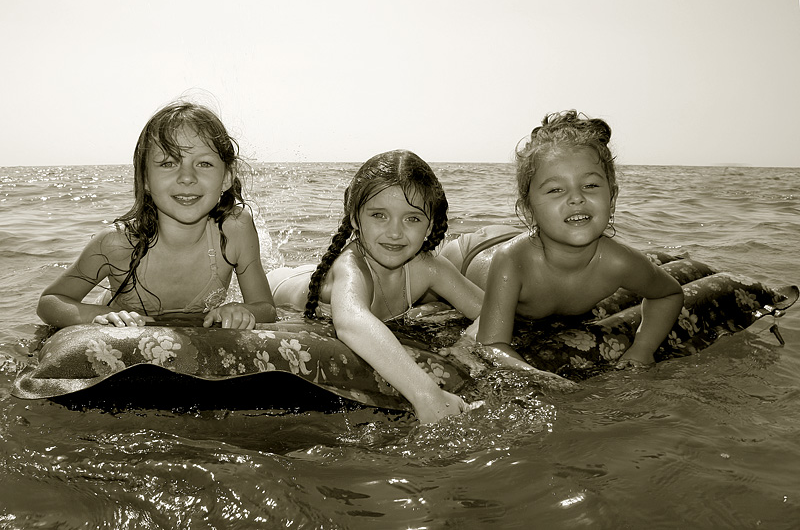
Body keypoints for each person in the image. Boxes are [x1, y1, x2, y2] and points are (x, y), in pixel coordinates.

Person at [268, 150, 483, 423]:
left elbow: (490, 310)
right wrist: (428, 396)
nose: (395, 232)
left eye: (412, 219)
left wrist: (467, 343)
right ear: (356, 218)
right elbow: (351, 324)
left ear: (429, 227)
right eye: (379, 215)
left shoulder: (429, 267)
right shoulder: (351, 268)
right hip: (282, 285)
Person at [37, 101, 276, 329]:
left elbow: (266, 309)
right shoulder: (117, 244)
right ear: (145, 178)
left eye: (203, 164)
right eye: (168, 163)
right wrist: (100, 315)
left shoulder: (235, 229)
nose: (186, 177)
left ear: (226, 176)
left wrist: (240, 310)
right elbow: (50, 302)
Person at [475, 110, 684, 369]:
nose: (576, 198)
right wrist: (539, 378)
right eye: (555, 190)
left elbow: (669, 294)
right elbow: (490, 345)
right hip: (476, 252)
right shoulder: (512, 262)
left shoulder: (618, 261)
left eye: (590, 186)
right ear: (528, 208)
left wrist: (643, 348)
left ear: (613, 198)